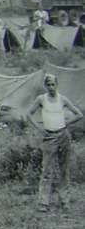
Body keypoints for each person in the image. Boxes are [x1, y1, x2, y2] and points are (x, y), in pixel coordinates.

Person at [26, 74, 84, 212]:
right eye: (49, 85)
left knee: (64, 169)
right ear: (45, 86)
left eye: (53, 84)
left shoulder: (62, 99)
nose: (51, 87)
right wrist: (40, 128)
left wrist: (65, 123)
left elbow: (79, 114)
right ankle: (43, 202)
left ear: (57, 85)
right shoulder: (41, 99)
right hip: (49, 137)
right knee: (47, 170)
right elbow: (29, 114)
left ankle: (65, 201)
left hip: (63, 135)